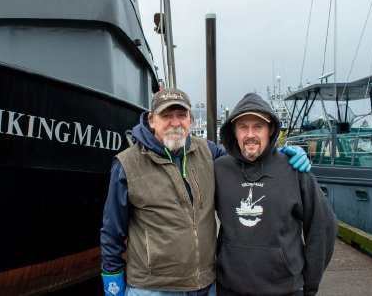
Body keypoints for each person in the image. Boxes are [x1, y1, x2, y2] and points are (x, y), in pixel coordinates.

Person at [100, 88, 311, 296]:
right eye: (166, 115)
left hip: (204, 285)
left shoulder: (208, 152)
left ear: (190, 120)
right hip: (152, 288)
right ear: (151, 120)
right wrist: (112, 280)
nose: (175, 122)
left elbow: (243, 159)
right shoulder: (127, 164)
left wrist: (277, 155)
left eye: (181, 115)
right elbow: (112, 230)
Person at [214, 93, 338, 296]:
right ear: (233, 131)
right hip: (229, 289)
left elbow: (323, 225)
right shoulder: (219, 170)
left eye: (258, 127)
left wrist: (309, 284)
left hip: (286, 290)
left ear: (270, 130)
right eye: (243, 127)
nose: (250, 134)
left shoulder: (294, 169)